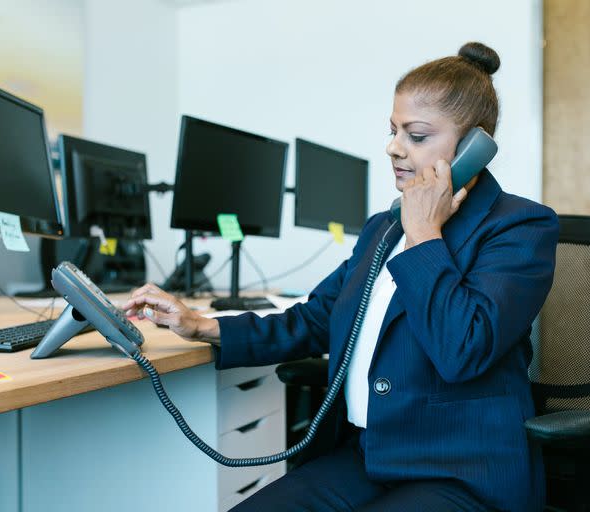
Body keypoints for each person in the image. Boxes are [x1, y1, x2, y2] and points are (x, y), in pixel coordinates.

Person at [124, 42, 558, 512]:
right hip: (368, 458)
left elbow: (462, 351)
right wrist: (203, 326)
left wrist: (424, 234)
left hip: (463, 472)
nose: (393, 147)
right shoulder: (382, 229)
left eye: (415, 135)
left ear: (475, 146)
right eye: (392, 131)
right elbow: (315, 319)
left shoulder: (518, 227)